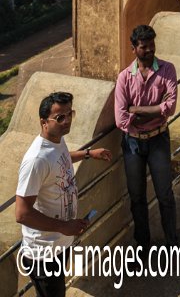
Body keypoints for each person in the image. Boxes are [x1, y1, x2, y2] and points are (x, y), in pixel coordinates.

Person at [15, 91, 111, 297]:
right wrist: (64, 226)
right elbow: (22, 213)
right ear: (43, 122)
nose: (67, 121)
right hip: (43, 253)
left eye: (70, 114)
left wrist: (88, 153)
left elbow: (60, 158)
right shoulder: (36, 160)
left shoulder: (57, 141)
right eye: (60, 117)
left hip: (59, 243)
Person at [114, 24, 178, 250]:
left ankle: (172, 242)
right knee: (137, 197)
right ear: (134, 49)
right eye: (144, 47)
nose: (150, 50)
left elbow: (170, 108)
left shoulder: (167, 70)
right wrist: (155, 109)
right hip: (132, 143)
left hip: (158, 139)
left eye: (152, 45)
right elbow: (121, 119)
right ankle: (143, 243)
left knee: (165, 194)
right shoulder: (124, 78)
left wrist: (136, 110)